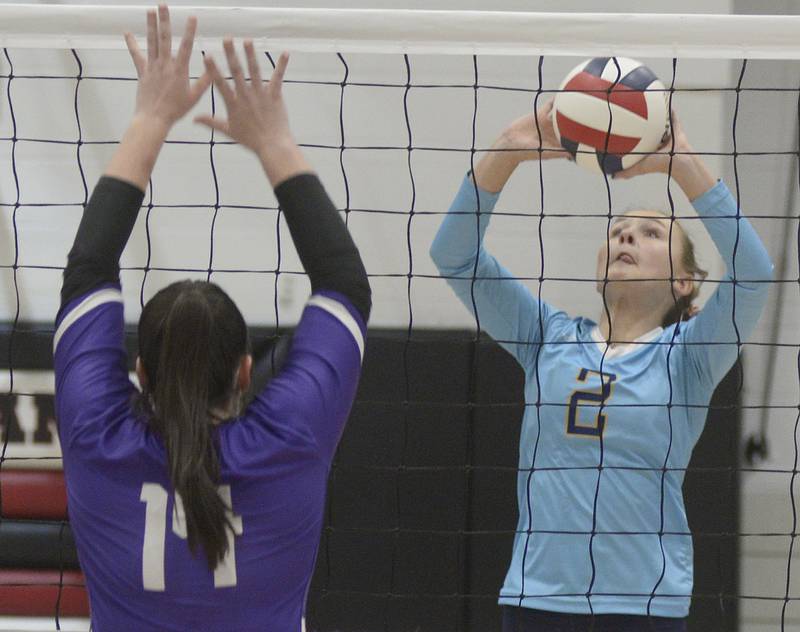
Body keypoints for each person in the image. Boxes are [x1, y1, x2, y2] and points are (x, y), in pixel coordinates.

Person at [53, 6, 370, 631]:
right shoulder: (288, 440)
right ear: (245, 370)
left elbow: (88, 269)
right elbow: (344, 286)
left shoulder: (98, 436)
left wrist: (148, 119)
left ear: (140, 371)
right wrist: (273, 142)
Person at [430, 100, 773, 632]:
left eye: (651, 233)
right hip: (535, 603)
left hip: (642, 610)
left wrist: (682, 162)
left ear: (684, 283)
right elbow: (453, 255)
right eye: (618, 230)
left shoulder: (690, 357)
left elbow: (754, 272)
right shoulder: (547, 336)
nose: (625, 236)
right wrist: (509, 148)